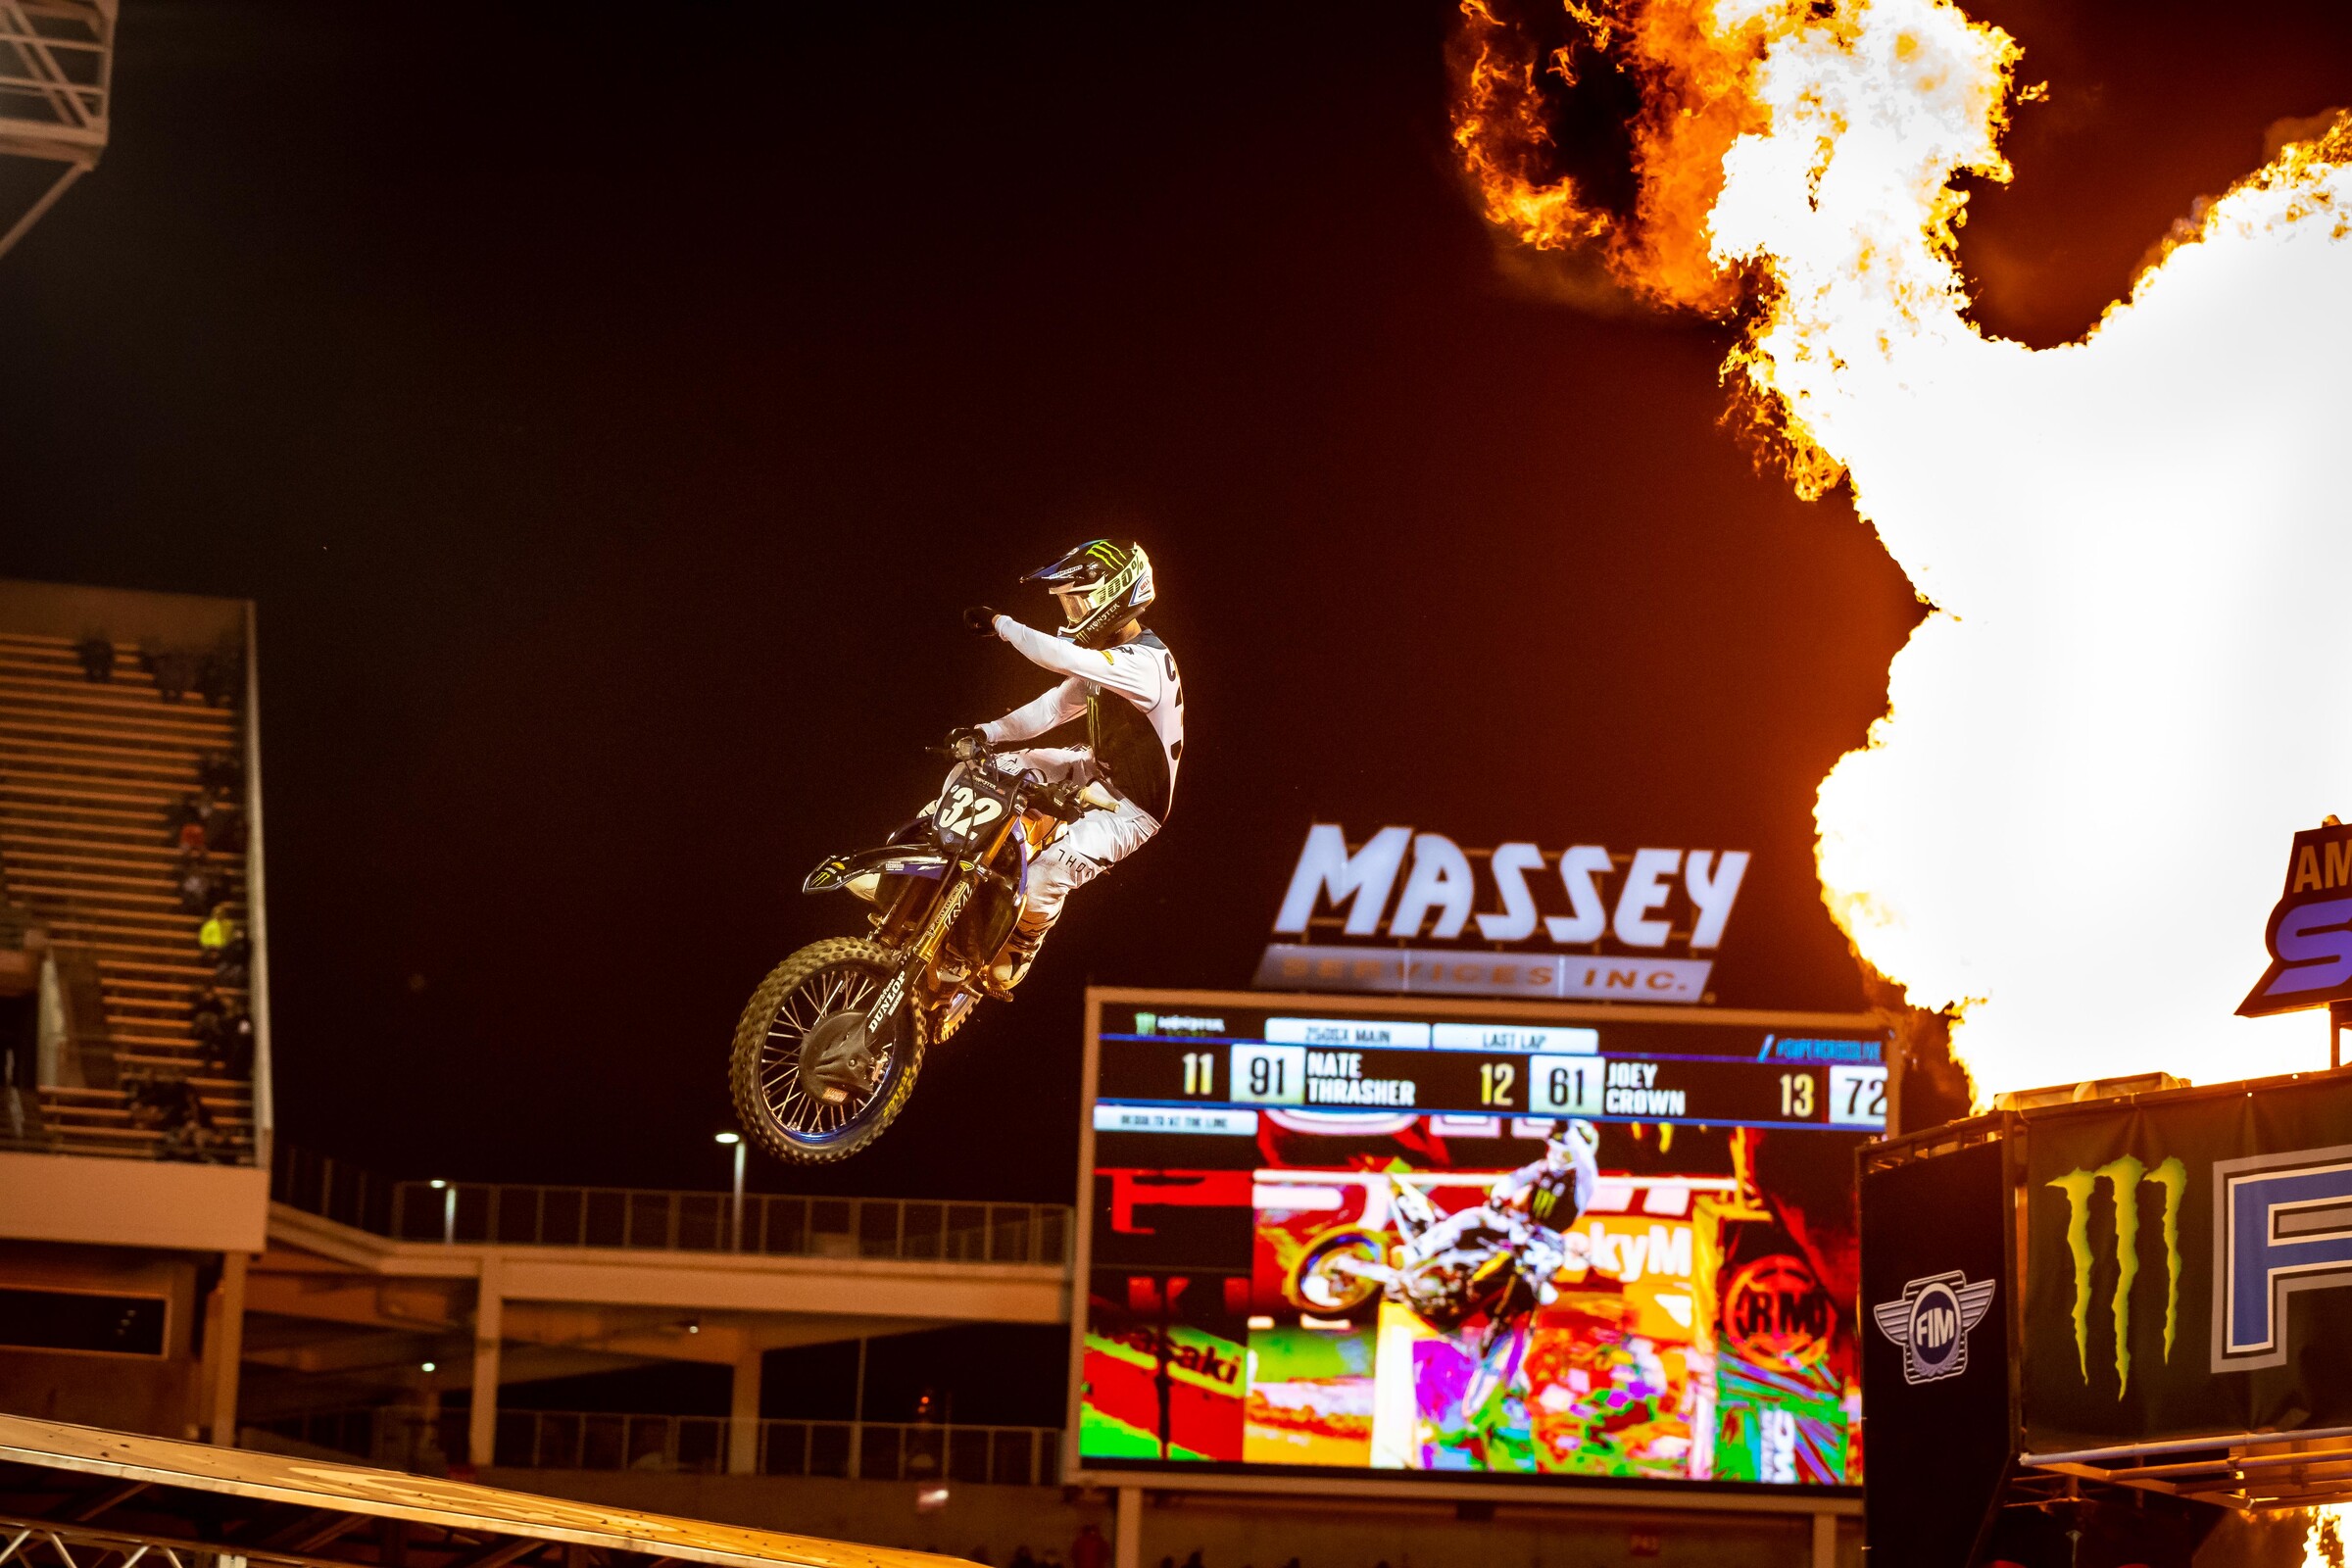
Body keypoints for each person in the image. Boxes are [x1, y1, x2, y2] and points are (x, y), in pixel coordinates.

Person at [950, 540, 1182, 992]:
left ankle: (1024, 939)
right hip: (1092, 768)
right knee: (979, 770)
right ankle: (929, 851)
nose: (1072, 613)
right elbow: (1054, 709)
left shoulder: (1144, 665)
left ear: (1114, 596)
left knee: (1044, 877)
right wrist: (986, 733)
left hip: (1132, 809)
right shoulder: (1110, 660)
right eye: (1066, 602)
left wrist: (1002, 624)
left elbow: (1061, 658)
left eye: (1078, 600)